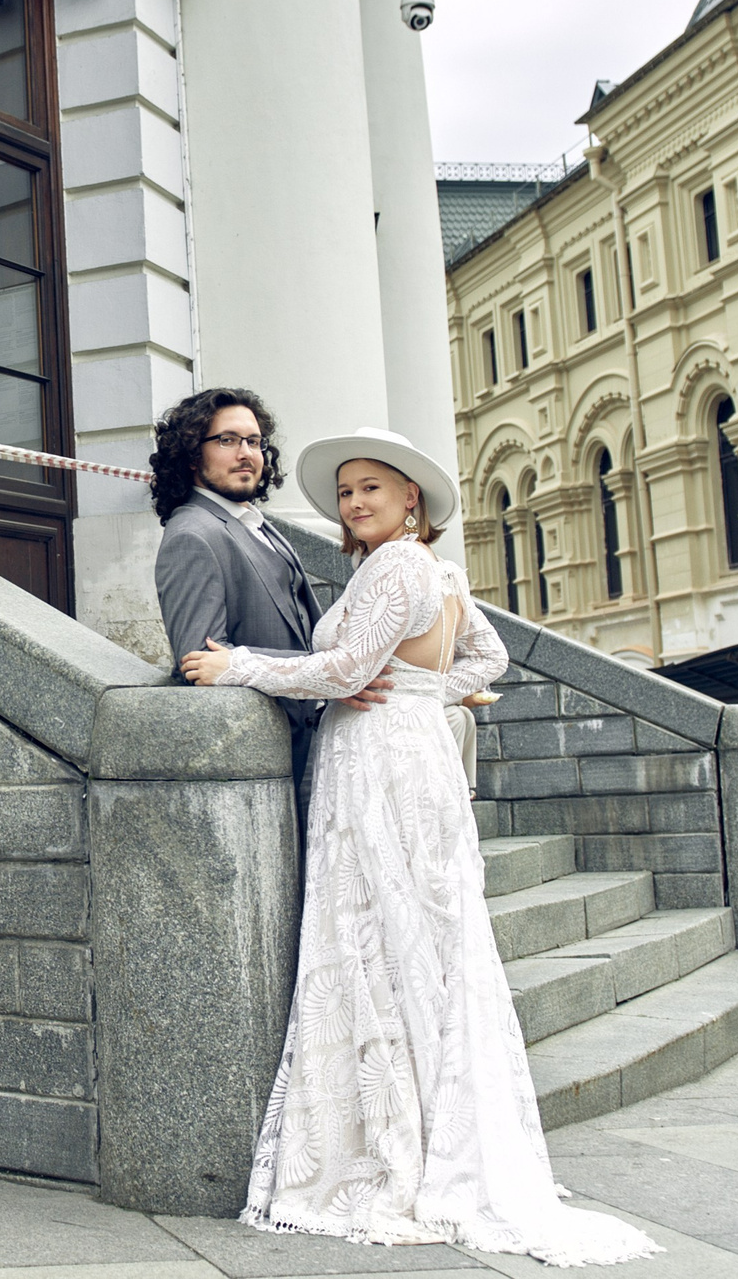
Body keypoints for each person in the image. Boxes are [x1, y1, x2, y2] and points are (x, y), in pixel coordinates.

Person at [180, 426, 657, 1268]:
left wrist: (240, 666)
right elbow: (489, 654)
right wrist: (438, 690)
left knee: (383, 932)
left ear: (412, 502)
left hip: (382, 762)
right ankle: (428, 1125)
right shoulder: (429, 574)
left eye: (374, 488)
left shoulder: (400, 565)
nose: (356, 501)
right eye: (349, 491)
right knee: (412, 937)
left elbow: (345, 671)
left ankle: (406, 1147)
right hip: (405, 751)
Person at [150, 388, 390, 820]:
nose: (246, 454)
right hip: (272, 755)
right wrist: (329, 672)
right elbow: (199, 661)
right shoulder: (192, 535)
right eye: (227, 440)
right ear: (190, 455)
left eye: (254, 442)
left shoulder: (257, 524)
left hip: (313, 741)